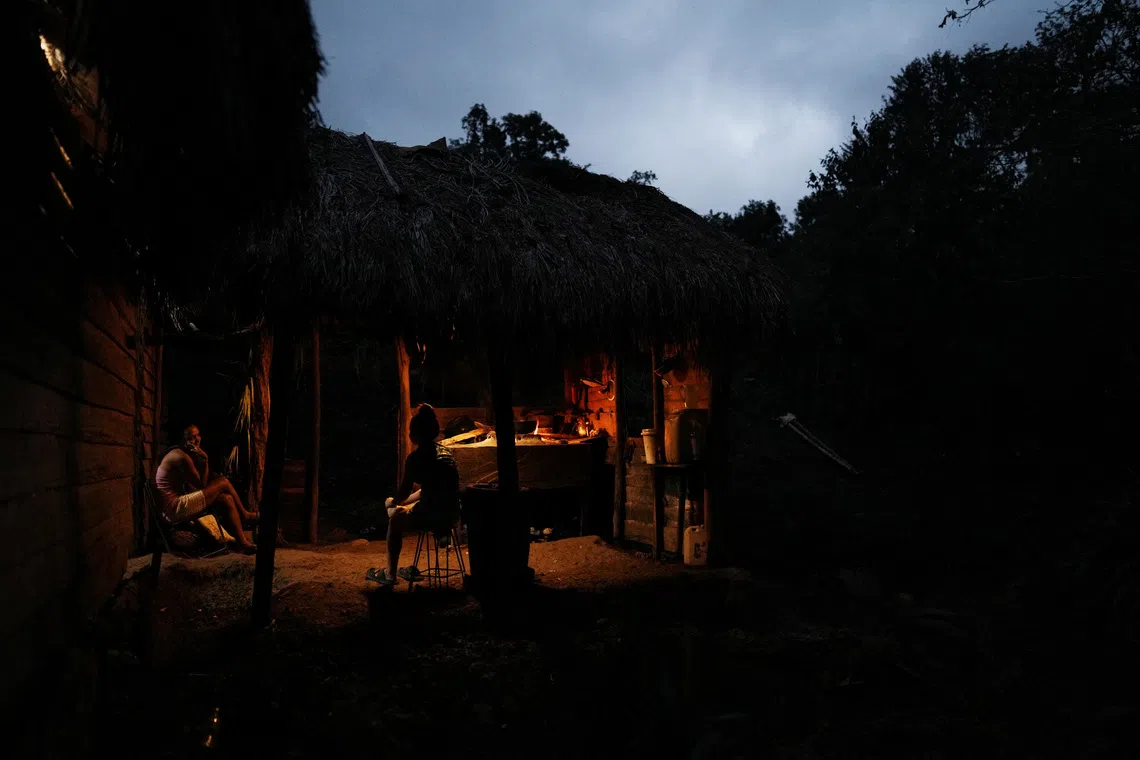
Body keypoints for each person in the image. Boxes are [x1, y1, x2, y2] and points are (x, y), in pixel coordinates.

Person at [368, 404, 459, 585]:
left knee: (394, 520)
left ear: (414, 434)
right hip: (451, 514)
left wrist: (393, 502)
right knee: (398, 506)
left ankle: (390, 575)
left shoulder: (416, 459)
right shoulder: (447, 453)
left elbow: (402, 493)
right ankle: (441, 534)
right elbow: (431, 490)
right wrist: (398, 503)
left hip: (430, 514)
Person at [154, 424, 259, 554]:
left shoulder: (180, 454)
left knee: (226, 498)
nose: (197, 439)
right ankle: (246, 515)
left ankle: (242, 543)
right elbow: (201, 486)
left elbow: (196, 487)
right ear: (183, 441)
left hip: (176, 505)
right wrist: (206, 458)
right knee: (223, 482)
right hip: (174, 508)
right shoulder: (181, 457)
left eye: (198, 435)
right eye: (192, 438)